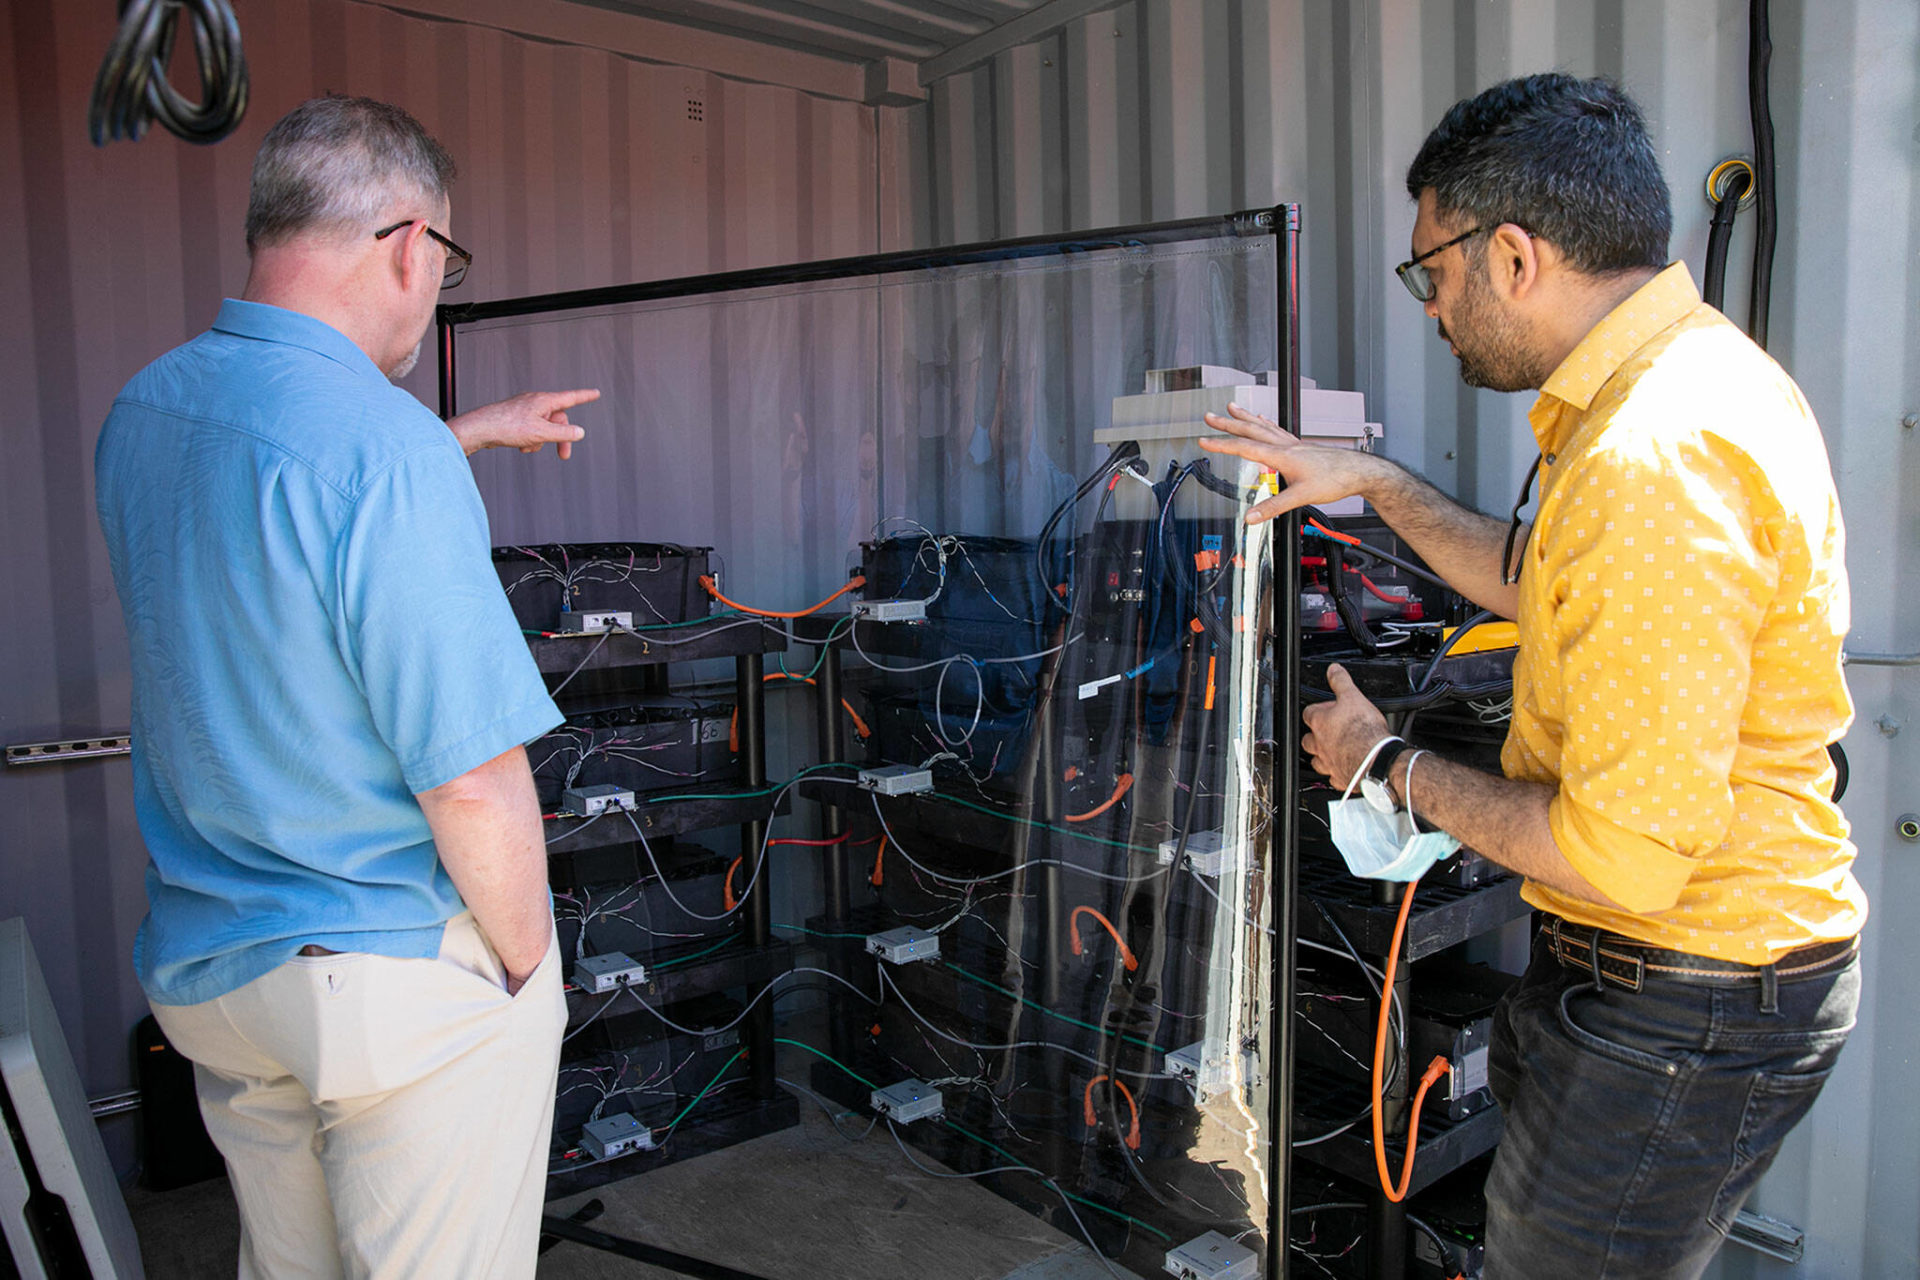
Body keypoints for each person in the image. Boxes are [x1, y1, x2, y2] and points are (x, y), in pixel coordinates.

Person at [1203, 74, 1865, 1279]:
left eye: (1433, 274)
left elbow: (1621, 852)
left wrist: (1384, 765)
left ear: (1512, 255)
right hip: (1677, 981)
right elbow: (1534, 576)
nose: (1433, 309)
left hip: (1686, 997)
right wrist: (1377, 483)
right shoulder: (1679, 382)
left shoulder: (1652, 454)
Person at [95, 96, 600, 1279]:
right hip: (387, 982)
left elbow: (272, 509)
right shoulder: (382, 447)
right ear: (410, 244)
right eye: (445, 262)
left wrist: (462, 434)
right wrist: (527, 978)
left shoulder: (146, 412)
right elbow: (472, 775)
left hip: (218, 971)